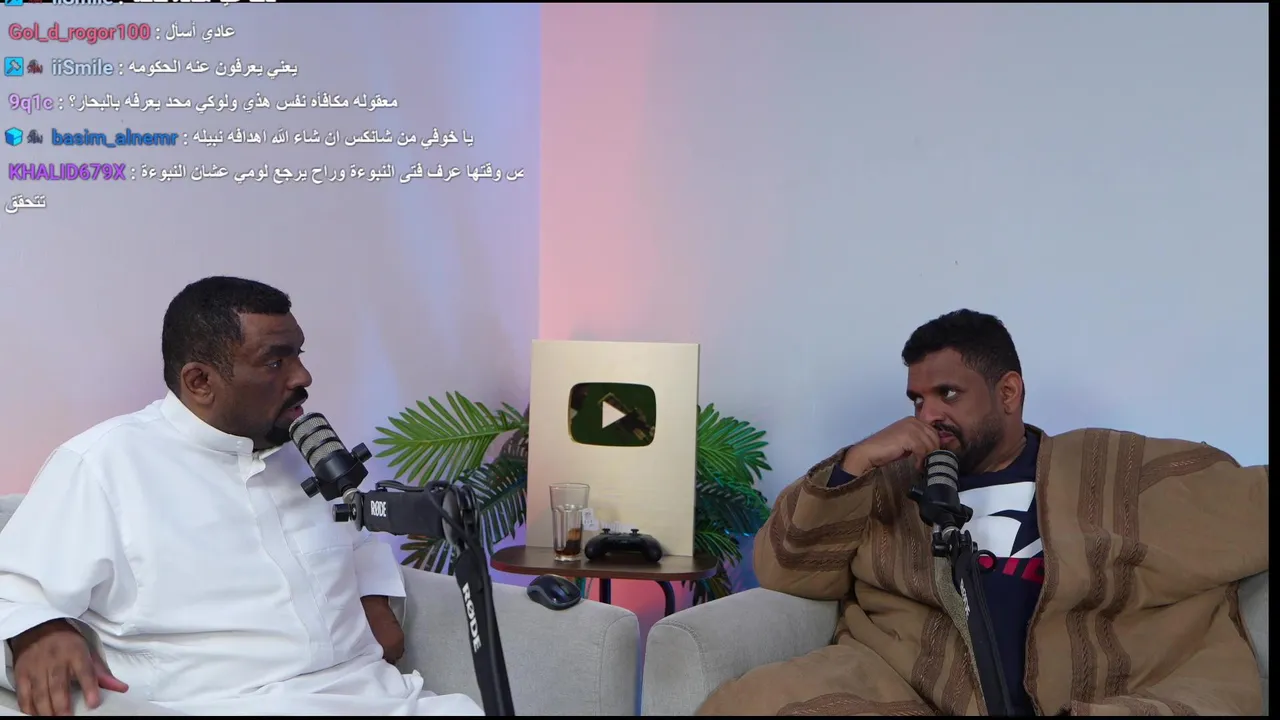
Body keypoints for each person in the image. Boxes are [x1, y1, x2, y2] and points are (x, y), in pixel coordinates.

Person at [699, 309, 1267, 716]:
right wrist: (854, 463)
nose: (928, 414)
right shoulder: (888, 482)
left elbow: (1246, 503)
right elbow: (785, 567)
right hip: (916, 690)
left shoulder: (1107, 469)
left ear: (1008, 393)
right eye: (917, 399)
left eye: (948, 394)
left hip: (1093, 693)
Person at [0, 277, 483, 716]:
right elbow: (15, 588)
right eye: (275, 362)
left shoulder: (303, 448)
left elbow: (353, 536)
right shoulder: (104, 463)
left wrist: (373, 595)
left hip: (385, 698)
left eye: (298, 355)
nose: (302, 377)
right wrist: (38, 630)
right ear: (200, 382)